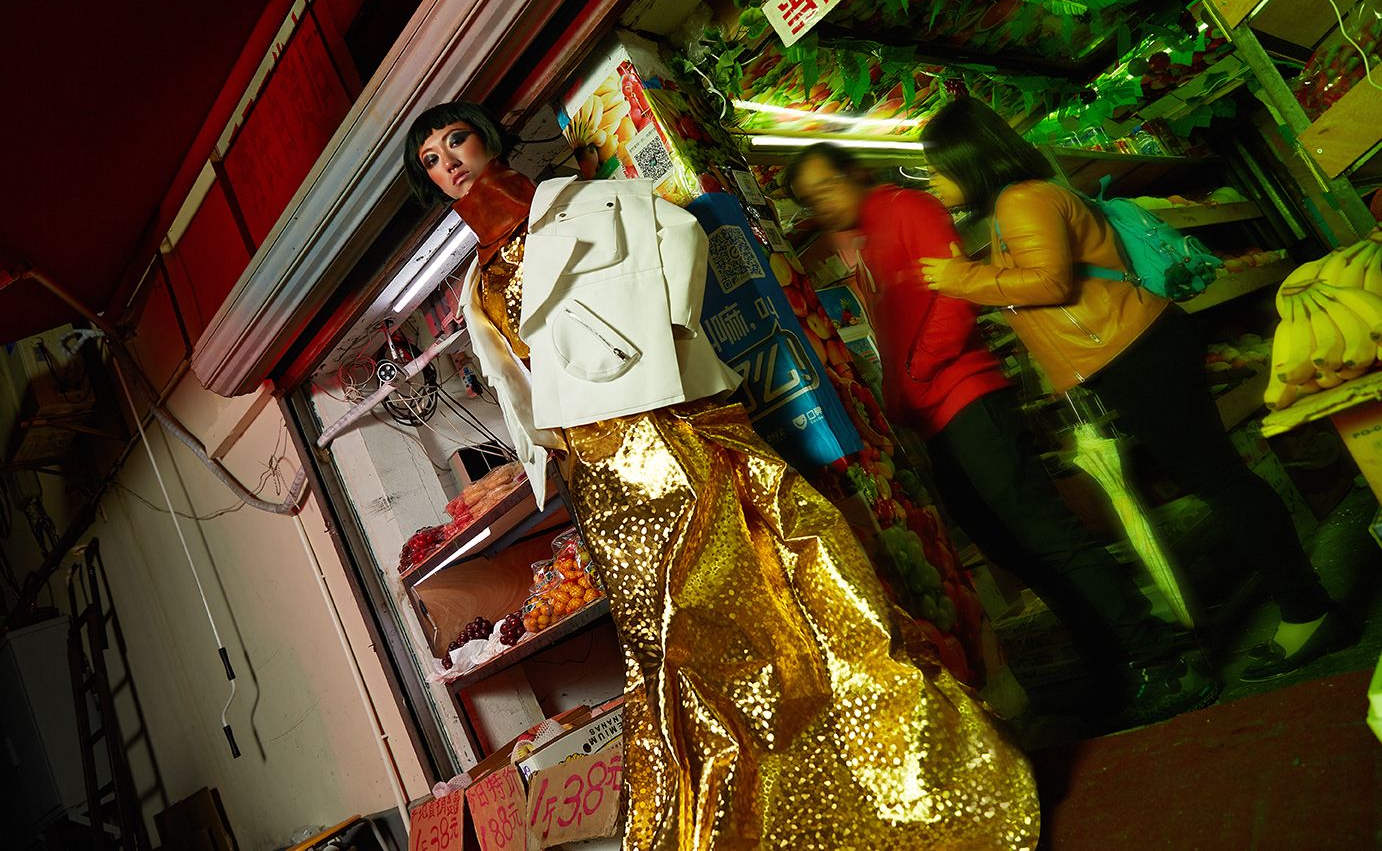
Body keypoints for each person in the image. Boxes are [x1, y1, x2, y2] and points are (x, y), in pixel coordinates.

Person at [403, 101, 1039, 850]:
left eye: (456, 141)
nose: (450, 163)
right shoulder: (477, 279)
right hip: (597, 475)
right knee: (677, 642)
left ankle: (876, 775)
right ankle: (760, 814)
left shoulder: (582, 202)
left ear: (488, 140)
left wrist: (662, 344)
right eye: (433, 161)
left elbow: (679, 238)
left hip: (669, 428)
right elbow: (519, 381)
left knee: (773, 586)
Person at [915, 98, 1350, 682]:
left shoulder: (1021, 200)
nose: (932, 181)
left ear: (969, 161)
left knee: (1219, 480)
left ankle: (1308, 611)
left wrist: (963, 278)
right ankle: (1306, 604)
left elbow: (1050, 282)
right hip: (1129, 349)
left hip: (1134, 350)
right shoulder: (1019, 203)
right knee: (1218, 477)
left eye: (936, 167)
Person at [788, 143, 1217, 722]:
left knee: (1046, 533)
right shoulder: (863, 241)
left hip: (967, 397)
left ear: (854, 173)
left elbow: (955, 300)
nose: (822, 204)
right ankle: (1112, 662)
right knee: (1010, 548)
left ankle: (1162, 655)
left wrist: (915, 374)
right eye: (810, 200)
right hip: (933, 414)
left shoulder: (908, 208)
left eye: (826, 188)